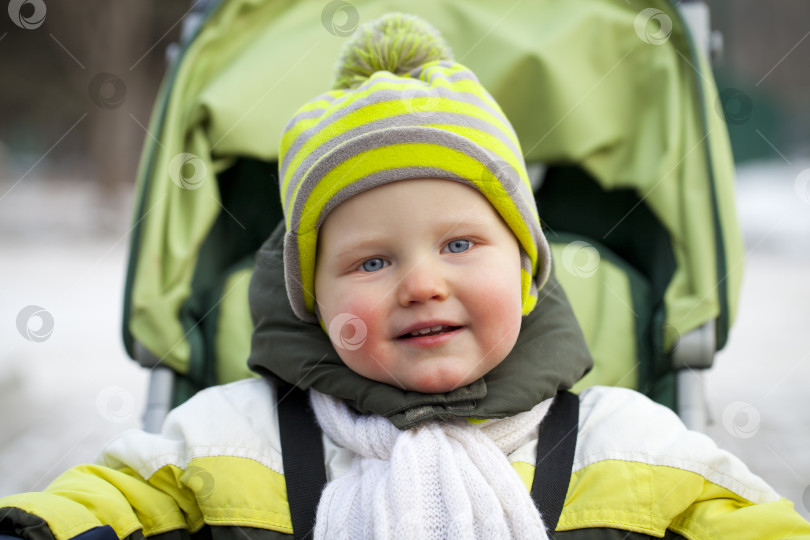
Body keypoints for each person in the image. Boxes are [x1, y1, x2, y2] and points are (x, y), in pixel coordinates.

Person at [2, 13, 809, 540]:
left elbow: (741, 520)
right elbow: (118, 495)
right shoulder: (232, 438)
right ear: (313, 300)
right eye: (372, 261)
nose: (421, 284)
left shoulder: (624, 444)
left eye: (460, 245)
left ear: (528, 271)